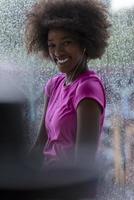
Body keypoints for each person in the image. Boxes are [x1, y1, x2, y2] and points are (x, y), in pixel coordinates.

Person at [25, 0, 111, 167]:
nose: (57, 52)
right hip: (47, 181)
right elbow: (40, 145)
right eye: (52, 45)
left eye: (67, 42)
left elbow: (83, 163)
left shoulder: (87, 88)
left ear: (84, 43)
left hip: (68, 188)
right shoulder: (53, 85)